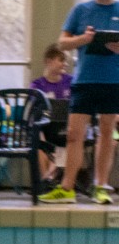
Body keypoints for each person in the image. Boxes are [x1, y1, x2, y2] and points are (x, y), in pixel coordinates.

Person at [39, 0, 119, 205]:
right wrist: (83, 39)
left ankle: (100, 187)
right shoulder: (81, 11)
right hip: (84, 81)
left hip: (112, 81)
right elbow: (62, 43)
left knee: (107, 133)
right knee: (74, 134)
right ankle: (67, 188)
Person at [30, 44, 74, 188]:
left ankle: (50, 176)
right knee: (38, 135)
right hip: (46, 129)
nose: (65, 64)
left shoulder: (71, 82)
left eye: (66, 60)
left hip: (67, 128)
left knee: (69, 133)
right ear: (49, 61)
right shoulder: (37, 85)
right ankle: (47, 179)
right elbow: (34, 110)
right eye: (61, 60)